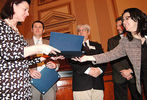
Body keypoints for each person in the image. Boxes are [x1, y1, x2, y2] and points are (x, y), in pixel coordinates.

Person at [73, 8, 147, 99]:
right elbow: (110, 55)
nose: (124, 22)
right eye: (123, 20)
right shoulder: (126, 42)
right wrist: (88, 58)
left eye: (127, 18)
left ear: (138, 18)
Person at [0, 0, 60, 99]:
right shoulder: (2, 26)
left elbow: (25, 61)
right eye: (25, 9)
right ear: (13, 6)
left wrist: (50, 55)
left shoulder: (17, 32)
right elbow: (8, 53)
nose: (28, 14)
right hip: (10, 85)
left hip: (24, 86)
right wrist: (40, 47)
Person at [69, 24, 106, 100]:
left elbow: (104, 59)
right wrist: (88, 70)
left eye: (83, 30)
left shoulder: (97, 45)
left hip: (97, 84)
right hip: (81, 85)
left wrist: (100, 70)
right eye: (79, 31)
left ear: (88, 32)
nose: (81, 32)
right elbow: (72, 62)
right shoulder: (73, 46)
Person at [107, 17, 141, 100]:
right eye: (117, 26)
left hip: (134, 75)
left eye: (120, 25)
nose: (118, 28)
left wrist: (130, 70)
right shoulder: (111, 41)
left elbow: (138, 57)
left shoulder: (136, 39)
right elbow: (112, 59)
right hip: (119, 76)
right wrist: (123, 71)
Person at [27, 20, 58, 100]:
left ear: (43, 30)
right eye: (35, 27)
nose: (37, 29)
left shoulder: (50, 43)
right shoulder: (25, 43)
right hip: (31, 82)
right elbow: (20, 62)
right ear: (32, 29)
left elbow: (57, 61)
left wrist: (55, 65)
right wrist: (29, 70)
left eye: (40, 27)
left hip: (49, 81)